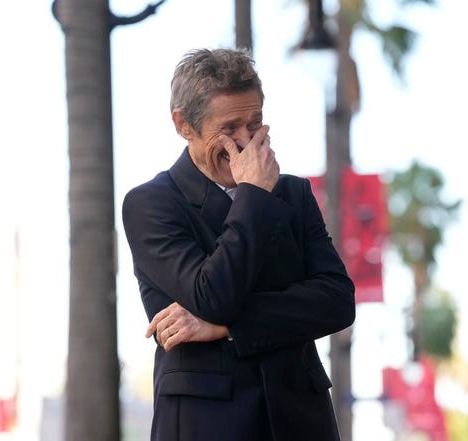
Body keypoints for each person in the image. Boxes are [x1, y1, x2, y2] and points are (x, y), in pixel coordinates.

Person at [122, 47, 355, 441]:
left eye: (255, 123)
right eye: (229, 128)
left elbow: (335, 301)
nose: (246, 141)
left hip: (300, 419)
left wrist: (225, 327)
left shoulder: (294, 194)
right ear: (184, 125)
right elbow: (213, 295)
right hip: (207, 423)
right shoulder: (151, 204)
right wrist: (253, 194)